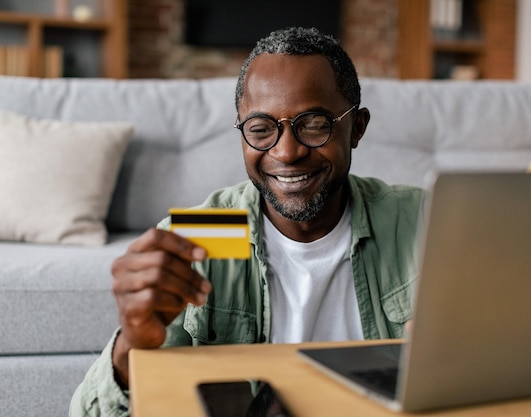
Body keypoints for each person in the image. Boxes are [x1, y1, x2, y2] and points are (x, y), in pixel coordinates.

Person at [70, 26, 426, 416]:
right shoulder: (197, 238)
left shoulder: (424, 224)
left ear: (356, 128)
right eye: (261, 129)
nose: (287, 152)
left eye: (314, 124)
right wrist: (131, 346)